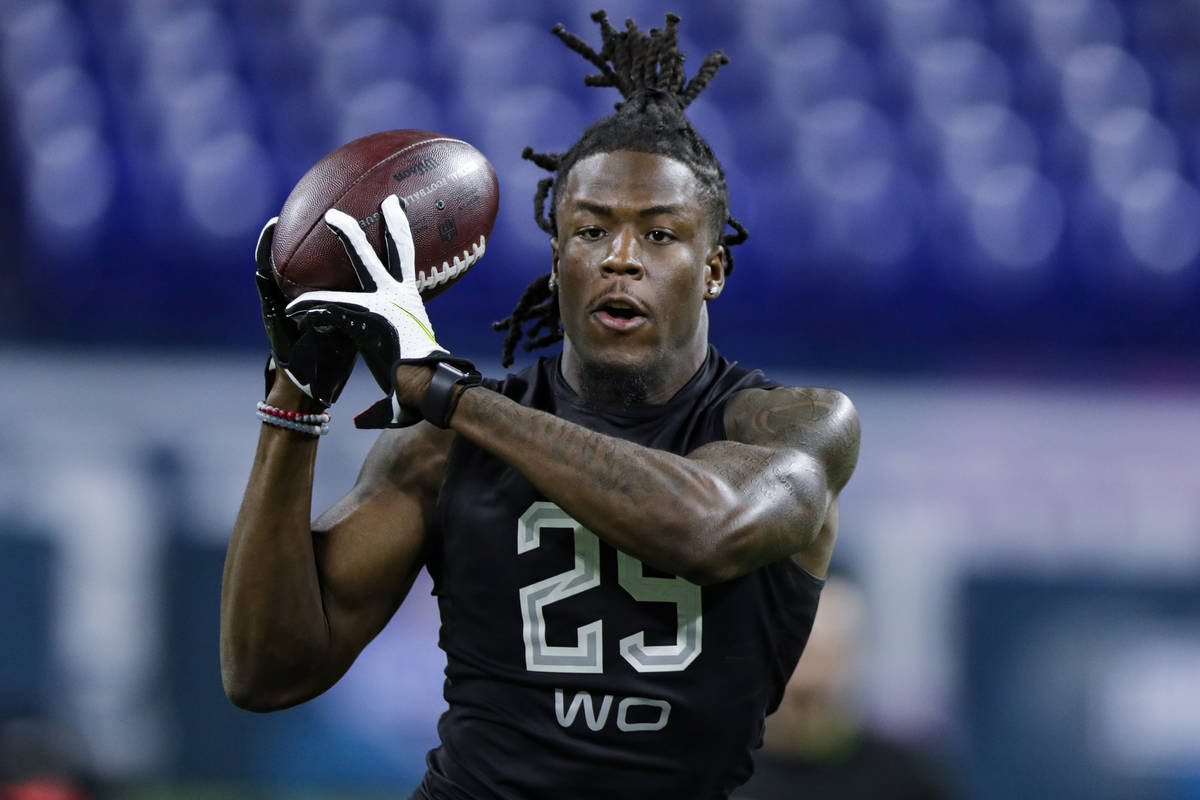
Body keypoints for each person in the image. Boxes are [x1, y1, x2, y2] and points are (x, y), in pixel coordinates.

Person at [220, 11, 860, 800]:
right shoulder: (438, 447)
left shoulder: (797, 423)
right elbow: (266, 673)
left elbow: (708, 529)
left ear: (714, 268)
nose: (621, 256)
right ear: (558, 263)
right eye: (590, 232)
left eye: (660, 236)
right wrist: (296, 403)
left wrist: (451, 396)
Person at [735, 574, 957, 799]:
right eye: (800, 657)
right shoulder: (719, 776)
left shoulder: (906, 778)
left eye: (830, 656)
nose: (811, 679)